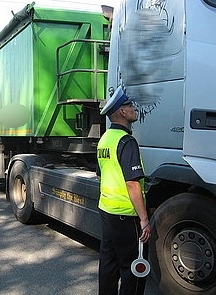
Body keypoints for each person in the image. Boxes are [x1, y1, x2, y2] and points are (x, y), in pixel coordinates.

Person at [97, 86, 151, 295]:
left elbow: (102, 173)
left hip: (107, 210)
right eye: (129, 105)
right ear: (121, 111)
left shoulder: (105, 140)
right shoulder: (127, 142)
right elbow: (132, 183)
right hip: (126, 216)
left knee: (108, 264)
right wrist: (144, 219)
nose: (134, 108)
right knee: (134, 269)